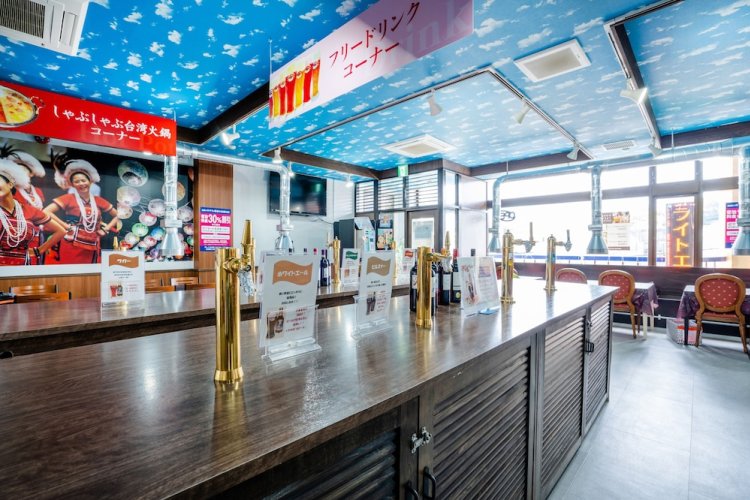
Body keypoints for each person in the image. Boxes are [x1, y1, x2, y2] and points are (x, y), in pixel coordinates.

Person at [43, 155, 119, 264]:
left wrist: (106, 229)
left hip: (92, 244)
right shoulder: (68, 198)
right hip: (70, 243)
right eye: (77, 182)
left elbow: (118, 215)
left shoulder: (98, 200)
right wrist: (64, 226)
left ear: (90, 181)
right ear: (72, 184)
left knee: (89, 272)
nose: (81, 184)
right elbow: (46, 211)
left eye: (83, 180)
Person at [0, 159, 66, 266]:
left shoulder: (30, 207)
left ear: (10, 184)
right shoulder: (17, 195)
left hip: (26, 255)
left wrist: (39, 250)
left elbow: (61, 231)